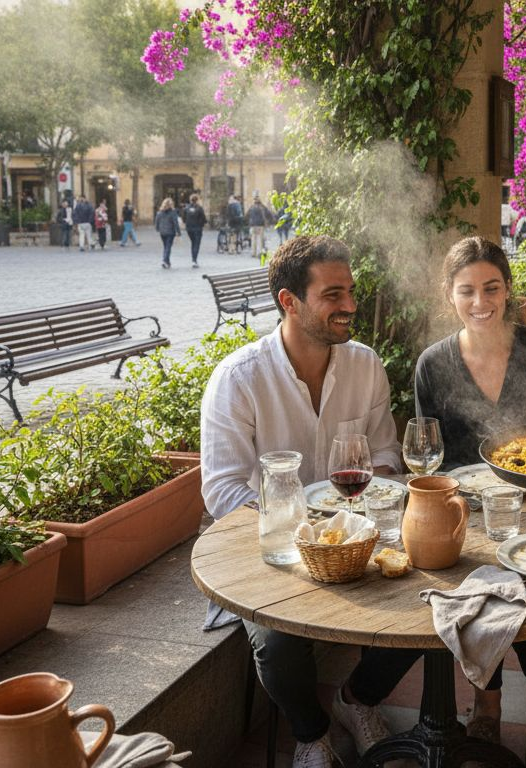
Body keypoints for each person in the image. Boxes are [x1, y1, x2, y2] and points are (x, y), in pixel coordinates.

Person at [200, 235, 420, 768]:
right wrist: (307, 528)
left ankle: (357, 700)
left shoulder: (365, 365)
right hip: (269, 548)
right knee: (277, 643)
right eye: (333, 294)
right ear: (289, 302)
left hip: (356, 538)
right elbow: (222, 489)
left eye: (351, 292)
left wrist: (371, 496)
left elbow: (385, 454)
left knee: (427, 606)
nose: (349, 305)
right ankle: (310, 733)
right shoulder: (239, 379)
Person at [413, 236, 526, 768]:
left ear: (507, 290)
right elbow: (430, 458)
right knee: (478, 586)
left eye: (492, 288)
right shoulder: (433, 364)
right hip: (465, 514)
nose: (480, 301)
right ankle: (488, 703)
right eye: (467, 291)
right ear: (450, 295)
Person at [153, 197, 181, 269]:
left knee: (166, 247)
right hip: (170, 232)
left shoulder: (159, 213)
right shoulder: (173, 212)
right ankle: (165, 260)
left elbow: (157, 222)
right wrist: (178, 232)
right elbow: (175, 223)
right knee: (168, 247)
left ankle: (167, 262)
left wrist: (157, 229)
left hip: (162, 232)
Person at [182, 193, 207, 267]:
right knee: (196, 244)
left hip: (189, 228)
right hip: (197, 228)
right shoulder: (199, 208)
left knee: (193, 243)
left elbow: (184, 218)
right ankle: (194, 260)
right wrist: (203, 224)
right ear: (197, 200)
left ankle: (193, 259)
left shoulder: (186, 208)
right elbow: (203, 218)